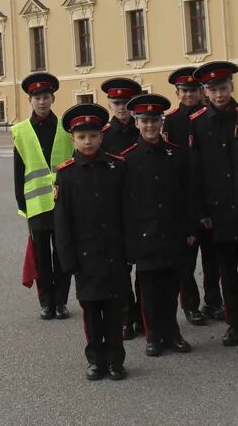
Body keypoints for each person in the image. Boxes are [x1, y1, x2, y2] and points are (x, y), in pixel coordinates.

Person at [188, 60, 238, 346]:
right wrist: (202, 211)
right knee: (227, 273)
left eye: (223, 88)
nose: (219, 94)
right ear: (206, 92)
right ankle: (234, 325)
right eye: (213, 90)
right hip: (217, 211)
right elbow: (195, 172)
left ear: (231, 86)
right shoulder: (197, 122)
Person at [53, 103, 130, 381]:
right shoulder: (67, 173)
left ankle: (116, 361)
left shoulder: (116, 167)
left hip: (115, 254)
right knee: (91, 312)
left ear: (102, 136)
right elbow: (62, 223)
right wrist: (67, 260)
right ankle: (96, 359)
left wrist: (129, 250)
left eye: (94, 136)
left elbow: (127, 212)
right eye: (82, 137)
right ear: (73, 139)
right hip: (86, 259)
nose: (88, 142)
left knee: (115, 310)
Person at [121, 92, 195, 357]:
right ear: (136, 123)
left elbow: (187, 195)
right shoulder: (127, 160)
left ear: (161, 122)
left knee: (171, 286)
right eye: (144, 121)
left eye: (154, 120)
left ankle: (172, 332)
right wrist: (129, 241)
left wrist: (189, 229)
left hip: (172, 233)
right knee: (149, 291)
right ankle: (153, 335)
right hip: (145, 237)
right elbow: (125, 206)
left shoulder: (175, 155)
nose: (150, 126)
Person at [12, 72, 73, 320]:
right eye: (37, 97)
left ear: (53, 98)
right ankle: (46, 302)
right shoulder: (21, 130)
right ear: (30, 100)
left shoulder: (66, 127)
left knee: (62, 253)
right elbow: (18, 171)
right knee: (42, 258)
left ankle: (61, 302)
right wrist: (22, 206)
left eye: (46, 97)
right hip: (36, 204)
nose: (42, 102)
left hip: (62, 203)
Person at [165, 66, 220, 326]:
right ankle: (190, 305)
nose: (190, 94)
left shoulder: (210, 115)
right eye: (185, 90)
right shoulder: (171, 121)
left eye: (194, 90)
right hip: (185, 199)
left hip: (210, 196)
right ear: (177, 93)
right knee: (186, 260)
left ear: (201, 91)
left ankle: (213, 302)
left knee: (213, 258)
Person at [99, 76, 143, 339]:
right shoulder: (103, 136)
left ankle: (145, 315)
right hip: (115, 212)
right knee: (121, 270)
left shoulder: (144, 129)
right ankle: (127, 317)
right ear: (110, 104)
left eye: (127, 102)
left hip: (143, 208)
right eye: (117, 102)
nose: (122, 107)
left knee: (146, 270)